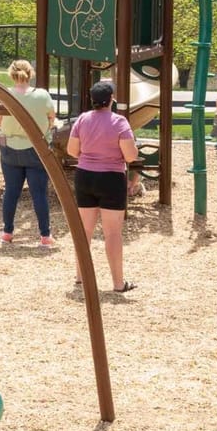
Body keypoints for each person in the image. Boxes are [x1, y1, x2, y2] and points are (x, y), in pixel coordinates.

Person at [66, 80, 139, 294]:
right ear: (111, 99)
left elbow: (72, 150)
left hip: (85, 176)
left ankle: (80, 276)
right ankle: (118, 283)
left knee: (84, 231)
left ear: (92, 100)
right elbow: (130, 155)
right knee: (112, 233)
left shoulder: (82, 119)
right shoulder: (119, 122)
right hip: (111, 178)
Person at [0, 58, 56, 247]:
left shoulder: (4, 94)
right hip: (36, 149)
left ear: (11, 74)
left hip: (9, 149)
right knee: (39, 193)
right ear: (30, 74)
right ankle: (45, 235)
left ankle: (7, 232)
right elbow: (51, 119)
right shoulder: (42, 95)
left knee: (11, 191)